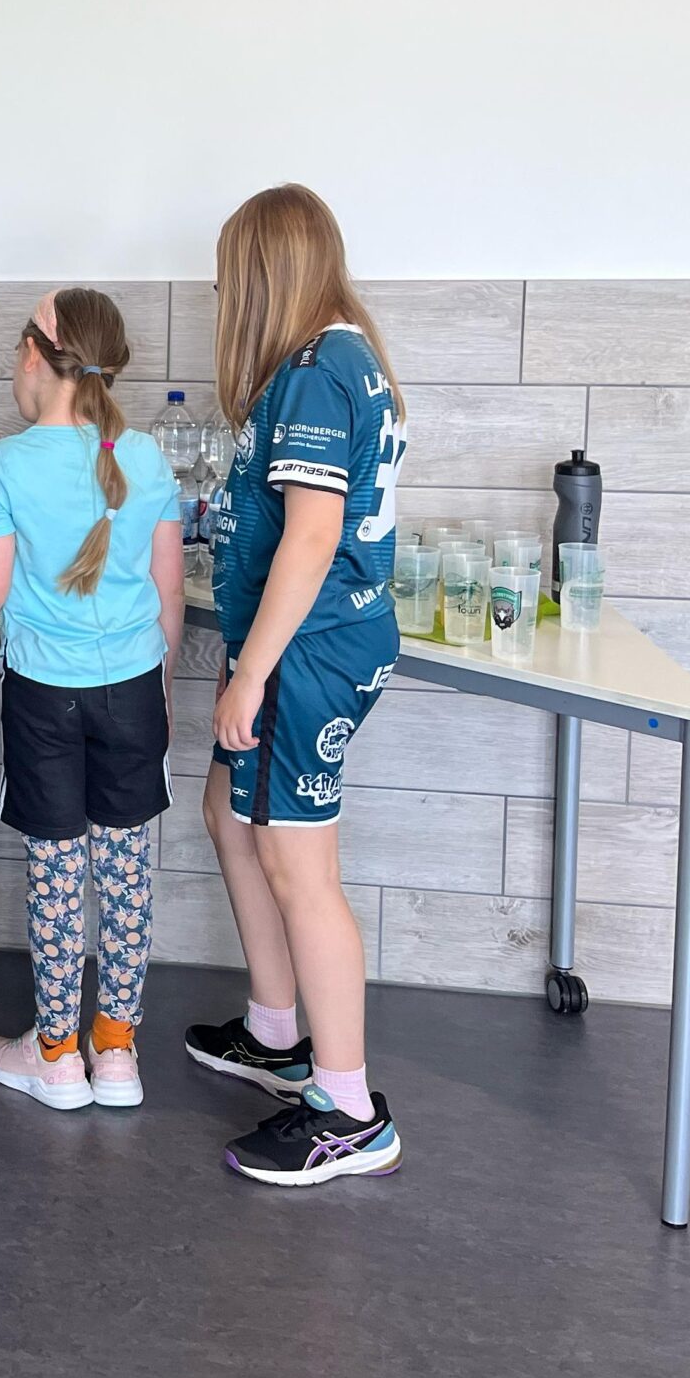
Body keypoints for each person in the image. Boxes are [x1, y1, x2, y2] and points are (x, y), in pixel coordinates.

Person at [189, 183, 408, 1186]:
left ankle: (349, 1108)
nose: (225, 298)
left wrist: (251, 673)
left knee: (300, 871)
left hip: (305, 656)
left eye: (231, 279)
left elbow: (313, 538)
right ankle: (275, 1031)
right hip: (302, 649)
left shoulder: (320, 373)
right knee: (227, 815)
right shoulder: (334, 362)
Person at [0, 290, 182, 1111]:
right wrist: (162, 690)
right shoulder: (146, 457)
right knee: (126, 871)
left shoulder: (5, 464)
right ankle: (115, 1053)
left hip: (45, 697)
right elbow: (169, 595)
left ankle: (55, 1056)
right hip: (134, 692)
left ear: (35, 357)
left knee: (57, 874)